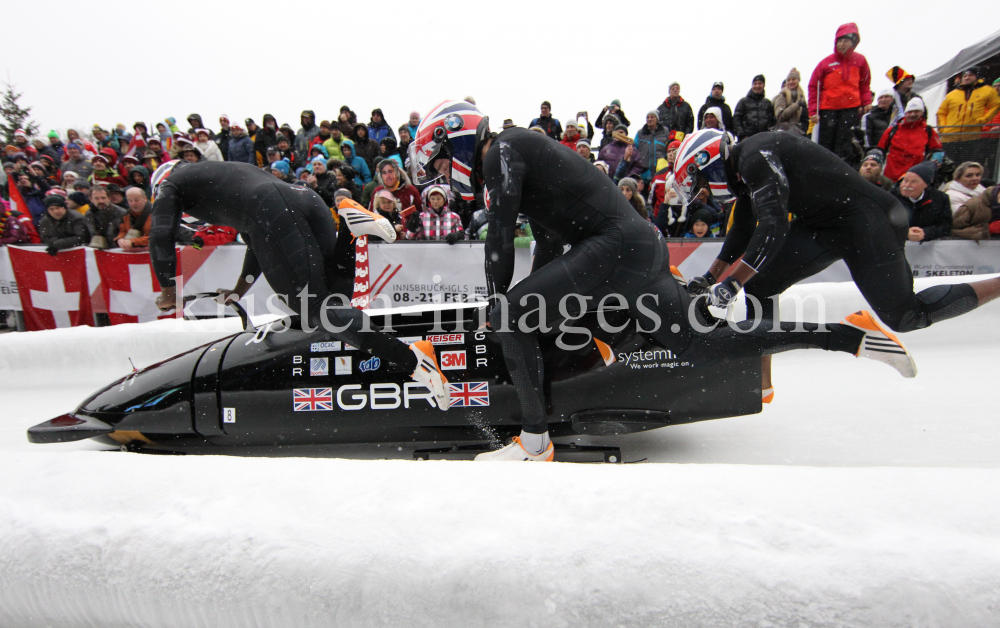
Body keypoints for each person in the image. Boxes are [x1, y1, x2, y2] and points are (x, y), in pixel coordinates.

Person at [410, 102, 917, 461]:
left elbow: (499, 236)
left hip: (616, 247)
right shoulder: (519, 152)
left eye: (436, 158)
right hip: (634, 247)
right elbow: (546, 245)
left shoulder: (503, 149)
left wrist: (499, 303)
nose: (437, 170)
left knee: (515, 314)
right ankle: (845, 335)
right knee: (703, 346)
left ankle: (534, 441)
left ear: (453, 138)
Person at [684, 130, 1000, 400]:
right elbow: (742, 229)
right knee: (760, 285)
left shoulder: (755, 157)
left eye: (699, 182)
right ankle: (761, 382)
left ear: (708, 163)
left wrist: (732, 282)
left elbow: (773, 225)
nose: (703, 191)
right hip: (824, 224)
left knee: (907, 316)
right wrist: (710, 277)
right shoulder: (746, 171)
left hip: (868, 222)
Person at [146, 160, 450, 409]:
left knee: (314, 310)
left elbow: (160, 234)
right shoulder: (219, 172)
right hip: (303, 199)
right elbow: (256, 240)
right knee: (335, 301)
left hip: (271, 210)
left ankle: (414, 361)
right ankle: (348, 226)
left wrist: (168, 289)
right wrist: (240, 289)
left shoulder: (171, 184)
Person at [808, 23, 872, 164]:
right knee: (825, 144)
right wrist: (813, 111)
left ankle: (840, 171)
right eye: (840, 40)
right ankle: (824, 169)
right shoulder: (825, 63)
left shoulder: (860, 61)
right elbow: (813, 87)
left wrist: (866, 101)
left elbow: (864, 84)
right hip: (828, 109)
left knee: (843, 144)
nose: (842, 44)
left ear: (853, 42)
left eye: (846, 41)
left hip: (850, 108)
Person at [936, 67, 1000, 163]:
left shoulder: (986, 93)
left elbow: (994, 107)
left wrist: (984, 120)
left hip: (974, 138)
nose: (967, 78)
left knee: (971, 165)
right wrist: (943, 128)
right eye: (965, 76)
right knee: (950, 166)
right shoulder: (952, 94)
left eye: (970, 75)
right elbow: (941, 113)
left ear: (977, 77)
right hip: (951, 137)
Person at [877, 97, 941, 181]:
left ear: (922, 113)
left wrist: (933, 167)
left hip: (915, 176)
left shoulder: (929, 131)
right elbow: (880, 150)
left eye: (916, 111)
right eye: (910, 112)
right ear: (905, 113)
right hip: (891, 177)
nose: (912, 114)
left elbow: (937, 151)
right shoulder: (892, 130)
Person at [892, 162, 952, 242]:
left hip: (926, 249)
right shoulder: (891, 197)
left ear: (926, 184)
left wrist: (926, 233)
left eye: (914, 182)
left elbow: (945, 226)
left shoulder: (940, 199)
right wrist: (904, 232)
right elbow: (881, 223)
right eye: (905, 180)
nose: (907, 185)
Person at [733, 75, 776, 141]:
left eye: (760, 83)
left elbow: (772, 122)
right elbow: (736, 119)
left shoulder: (768, 103)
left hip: (764, 139)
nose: (757, 86)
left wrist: (769, 134)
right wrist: (742, 135)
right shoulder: (743, 102)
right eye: (755, 84)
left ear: (763, 85)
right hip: (747, 139)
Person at [633, 111, 669, 184]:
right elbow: (634, 151)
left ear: (657, 119)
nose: (649, 119)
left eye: (652, 117)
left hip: (660, 172)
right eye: (648, 117)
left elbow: (668, 149)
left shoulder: (665, 132)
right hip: (644, 173)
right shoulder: (640, 133)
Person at [772, 69, 810, 135]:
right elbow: (780, 116)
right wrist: (796, 105)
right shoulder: (782, 95)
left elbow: (805, 118)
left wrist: (803, 130)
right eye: (788, 80)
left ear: (798, 81)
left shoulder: (801, 97)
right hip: (783, 132)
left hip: (797, 132)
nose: (790, 82)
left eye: (793, 79)